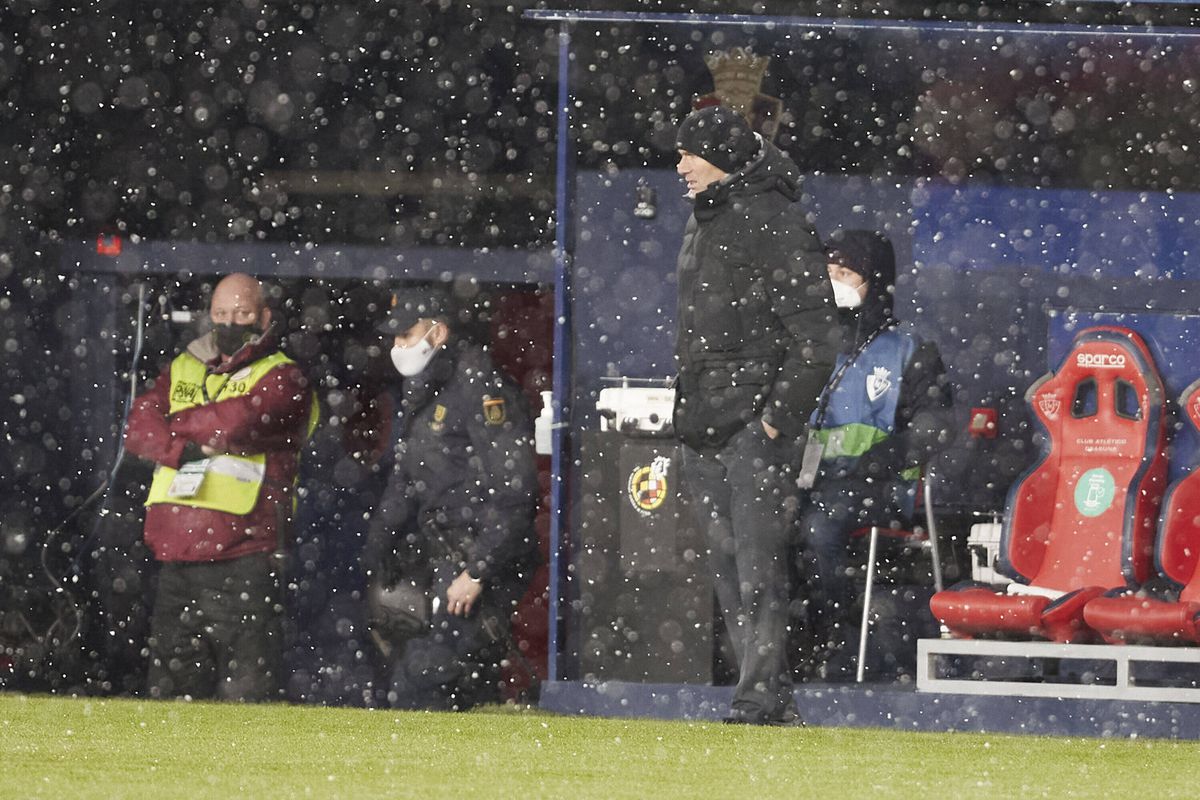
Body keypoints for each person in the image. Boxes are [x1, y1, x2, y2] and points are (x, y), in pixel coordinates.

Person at [673, 105, 836, 725]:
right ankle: (771, 702)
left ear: (722, 155)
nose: (681, 166)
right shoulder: (702, 222)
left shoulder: (777, 222)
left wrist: (773, 421)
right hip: (703, 424)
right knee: (727, 569)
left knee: (758, 573)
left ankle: (755, 699)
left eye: (690, 153)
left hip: (750, 430)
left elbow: (818, 341)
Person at [124, 273, 318, 701]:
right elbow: (138, 429)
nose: (232, 323)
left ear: (265, 316)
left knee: (246, 696)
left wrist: (173, 430)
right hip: (175, 555)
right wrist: (187, 448)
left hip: (244, 556)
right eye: (221, 314)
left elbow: (238, 420)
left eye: (244, 313)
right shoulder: (182, 366)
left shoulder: (284, 376)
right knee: (171, 695)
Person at [363, 285, 539, 711]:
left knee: (422, 681)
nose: (397, 346)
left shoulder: (477, 386)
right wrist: (378, 544)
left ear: (438, 333)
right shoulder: (425, 386)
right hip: (445, 554)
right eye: (395, 337)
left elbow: (514, 489)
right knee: (455, 684)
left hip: (478, 557)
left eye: (406, 335)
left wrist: (477, 571)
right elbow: (409, 476)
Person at [796, 230, 952, 681]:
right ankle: (778, 644)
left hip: (880, 485)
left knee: (820, 525)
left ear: (876, 282)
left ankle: (837, 634)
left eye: (846, 273)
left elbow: (936, 426)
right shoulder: (806, 344)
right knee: (760, 520)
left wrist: (879, 461)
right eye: (828, 272)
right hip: (807, 478)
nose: (834, 282)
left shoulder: (909, 350)